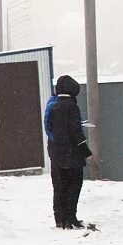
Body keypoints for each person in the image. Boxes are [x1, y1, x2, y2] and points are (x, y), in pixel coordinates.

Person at [44, 75, 92, 229]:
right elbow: (75, 130)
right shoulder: (71, 106)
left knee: (59, 186)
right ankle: (71, 217)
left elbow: (50, 129)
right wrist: (86, 151)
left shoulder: (53, 106)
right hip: (72, 154)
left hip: (56, 153)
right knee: (74, 185)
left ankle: (60, 219)